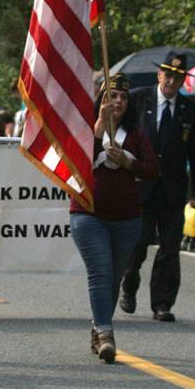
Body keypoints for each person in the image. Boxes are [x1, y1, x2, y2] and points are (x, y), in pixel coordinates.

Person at [71, 74, 159, 363]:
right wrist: (97, 130)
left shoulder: (136, 135)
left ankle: (99, 325)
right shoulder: (86, 129)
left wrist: (127, 161)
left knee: (114, 278)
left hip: (127, 217)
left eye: (123, 97)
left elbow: (151, 170)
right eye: (112, 96)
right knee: (100, 273)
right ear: (101, 100)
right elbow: (76, 162)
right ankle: (107, 333)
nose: (118, 101)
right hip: (88, 213)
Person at [119, 52, 195, 320]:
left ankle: (162, 303)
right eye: (167, 75)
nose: (171, 81)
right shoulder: (138, 98)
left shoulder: (192, 110)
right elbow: (121, 132)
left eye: (177, 77)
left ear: (182, 81)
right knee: (138, 244)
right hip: (141, 185)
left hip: (173, 188)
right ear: (159, 75)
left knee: (169, 249)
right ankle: (129, 284)